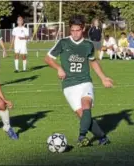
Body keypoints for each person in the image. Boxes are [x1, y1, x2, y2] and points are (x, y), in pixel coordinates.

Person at [45, 15, 113, 147]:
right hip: (68, 85)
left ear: (83, 29)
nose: (75, 33)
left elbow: (93, 62)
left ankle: (81, 136)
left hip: (84, 81)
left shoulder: (88, 45)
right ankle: (103, 137)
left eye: (78, 30)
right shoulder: (63, 43)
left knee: (86, 104)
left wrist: (103, 78)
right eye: (72, 30)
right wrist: (59, 68)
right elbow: (48, 59)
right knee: (84, 117)